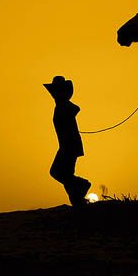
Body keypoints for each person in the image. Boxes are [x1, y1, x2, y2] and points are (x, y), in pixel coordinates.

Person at [44, 76, 91, 206]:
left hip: (69, 146)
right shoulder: (61, 106)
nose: (55, 94)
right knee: (63, 174)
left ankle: (82, 187)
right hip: (66, 145)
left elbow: (75, 108)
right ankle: (77, 199)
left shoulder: (63, 106)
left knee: (59, 173)